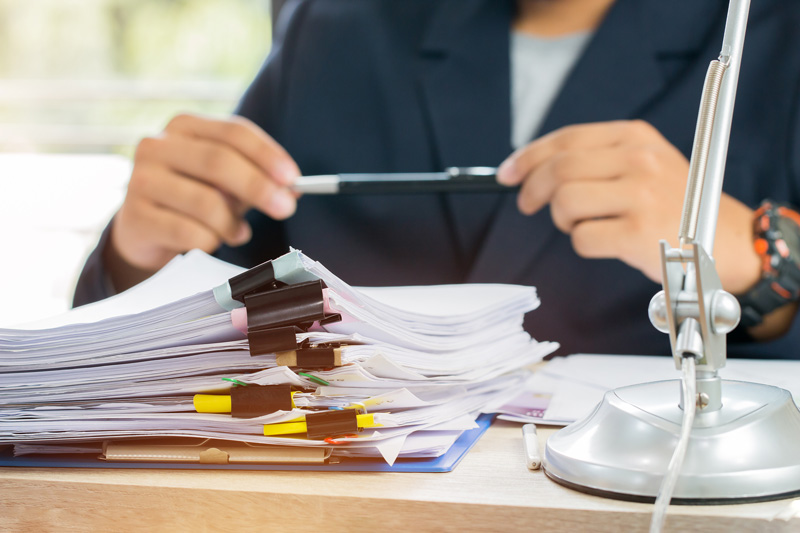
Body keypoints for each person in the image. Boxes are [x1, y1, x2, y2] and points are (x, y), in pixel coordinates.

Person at [74, 0, 800, 358]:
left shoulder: (773, 36)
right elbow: (191, 313)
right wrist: (135, 252)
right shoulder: (336, 27)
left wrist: (752, 255)